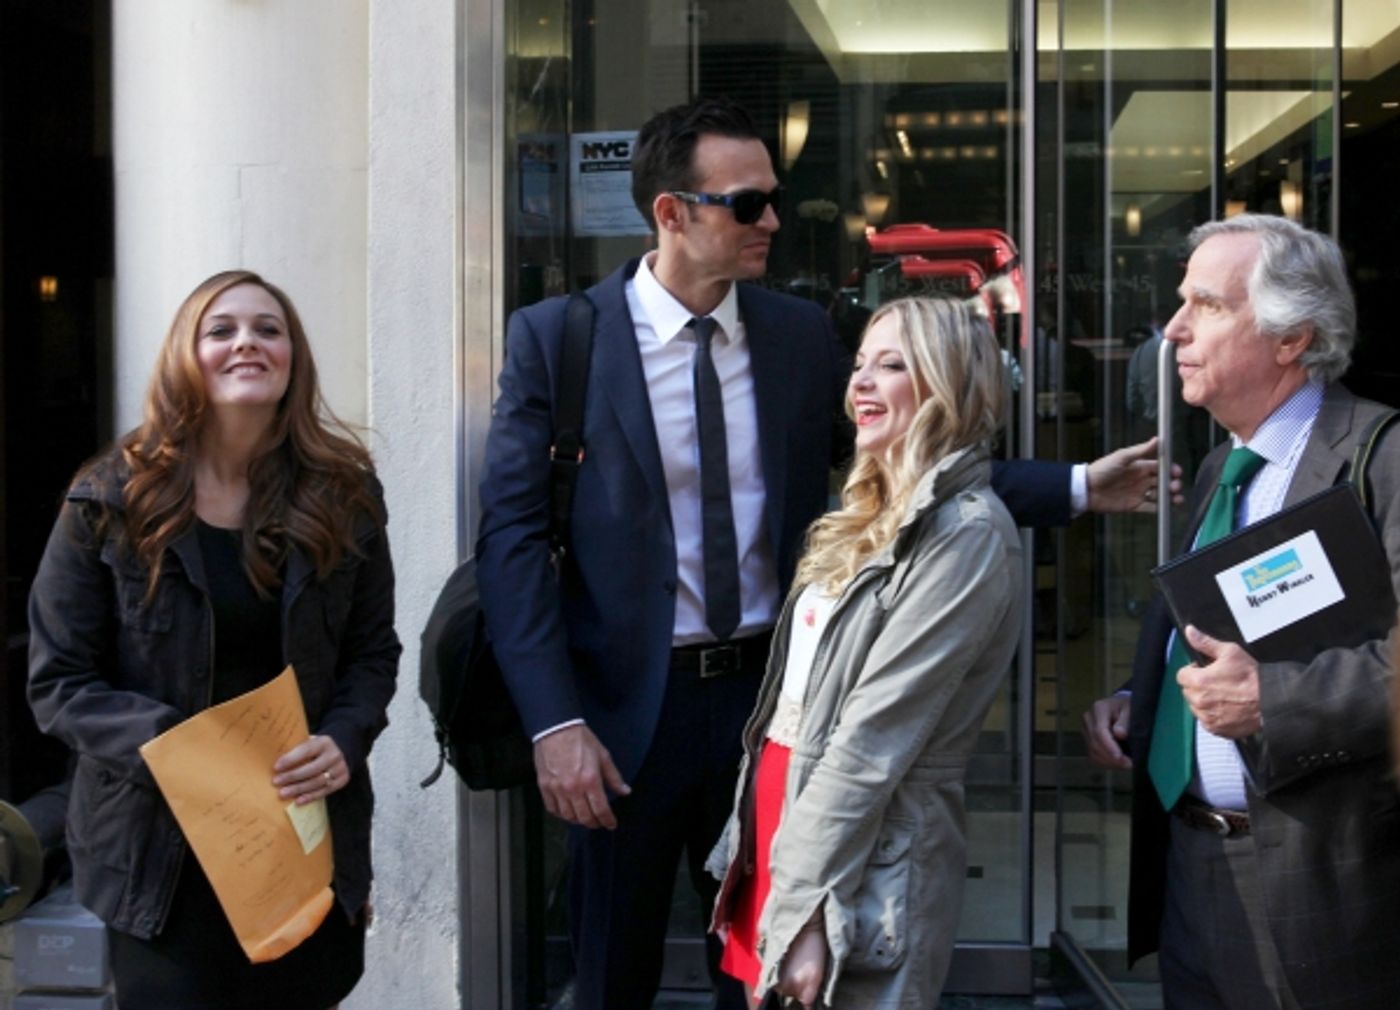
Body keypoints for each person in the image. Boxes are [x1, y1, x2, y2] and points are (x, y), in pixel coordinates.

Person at [475, 95, 1165, 1010]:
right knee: (611, 974)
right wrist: (553, 723)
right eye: (746, 203)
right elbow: (512, 542)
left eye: (772, 197)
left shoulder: (797, 337)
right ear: (671, 215)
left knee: (766, 973)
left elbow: (898, 478)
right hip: (624, 716)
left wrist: (1074, 485)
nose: (772, 220)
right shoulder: (562, 340)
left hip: (778, 704)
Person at [27, 270, 401, 1010]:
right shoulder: (109, 500)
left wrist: (344, 737)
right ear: (184, 357)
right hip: (157, 853)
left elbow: (371, 653)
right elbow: (59, 683)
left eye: (269, 329)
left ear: (293, 357)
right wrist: (191, 748)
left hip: (301, 836)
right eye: (221, 330)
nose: (247, 344)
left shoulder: (344, 492)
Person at [1082, 214, 1400, 1010]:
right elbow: (1218, 636)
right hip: (1193, 868)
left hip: (1321, 883)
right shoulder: (1228, 465)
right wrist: (1139, 700)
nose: (1174, 328)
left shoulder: (1380, 459)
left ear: (1291, 337)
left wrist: (1274, 701)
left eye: (1207, 306)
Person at [707, 296, 1023, 1009]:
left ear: (947, 382)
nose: (861, 384)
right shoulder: (867, 514)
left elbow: (872, 741)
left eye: (892, 365)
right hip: (785, 816)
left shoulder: (965, 534)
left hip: (855, 848)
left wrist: (810, 900)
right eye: (859, 365)